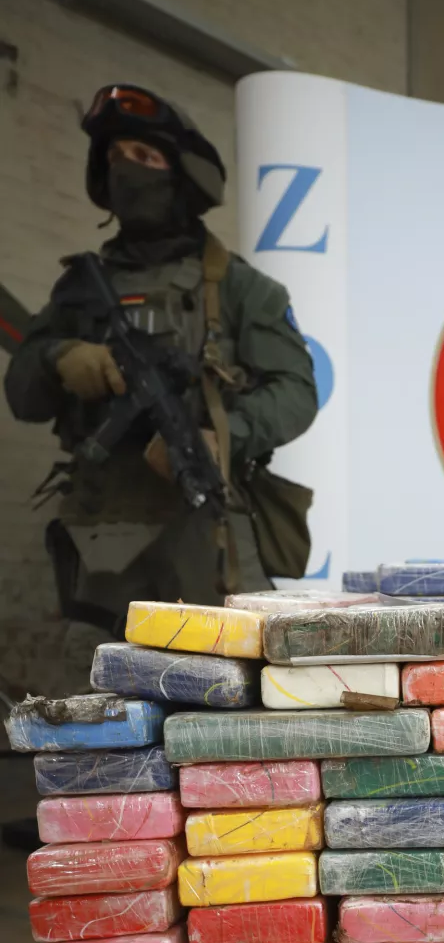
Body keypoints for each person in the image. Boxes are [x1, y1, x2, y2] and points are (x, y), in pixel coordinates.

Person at [5, 84, 318, 631]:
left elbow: (296, 392)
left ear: (184, 175)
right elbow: (22, 396)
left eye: (145, 156)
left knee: (226, 675)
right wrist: (59, 357)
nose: (126, 169)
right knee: (100, 679)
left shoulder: (239, 288)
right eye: (115, 156)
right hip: (101, 539)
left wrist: (225, 436)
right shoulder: (78, 290)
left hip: (204, 535)